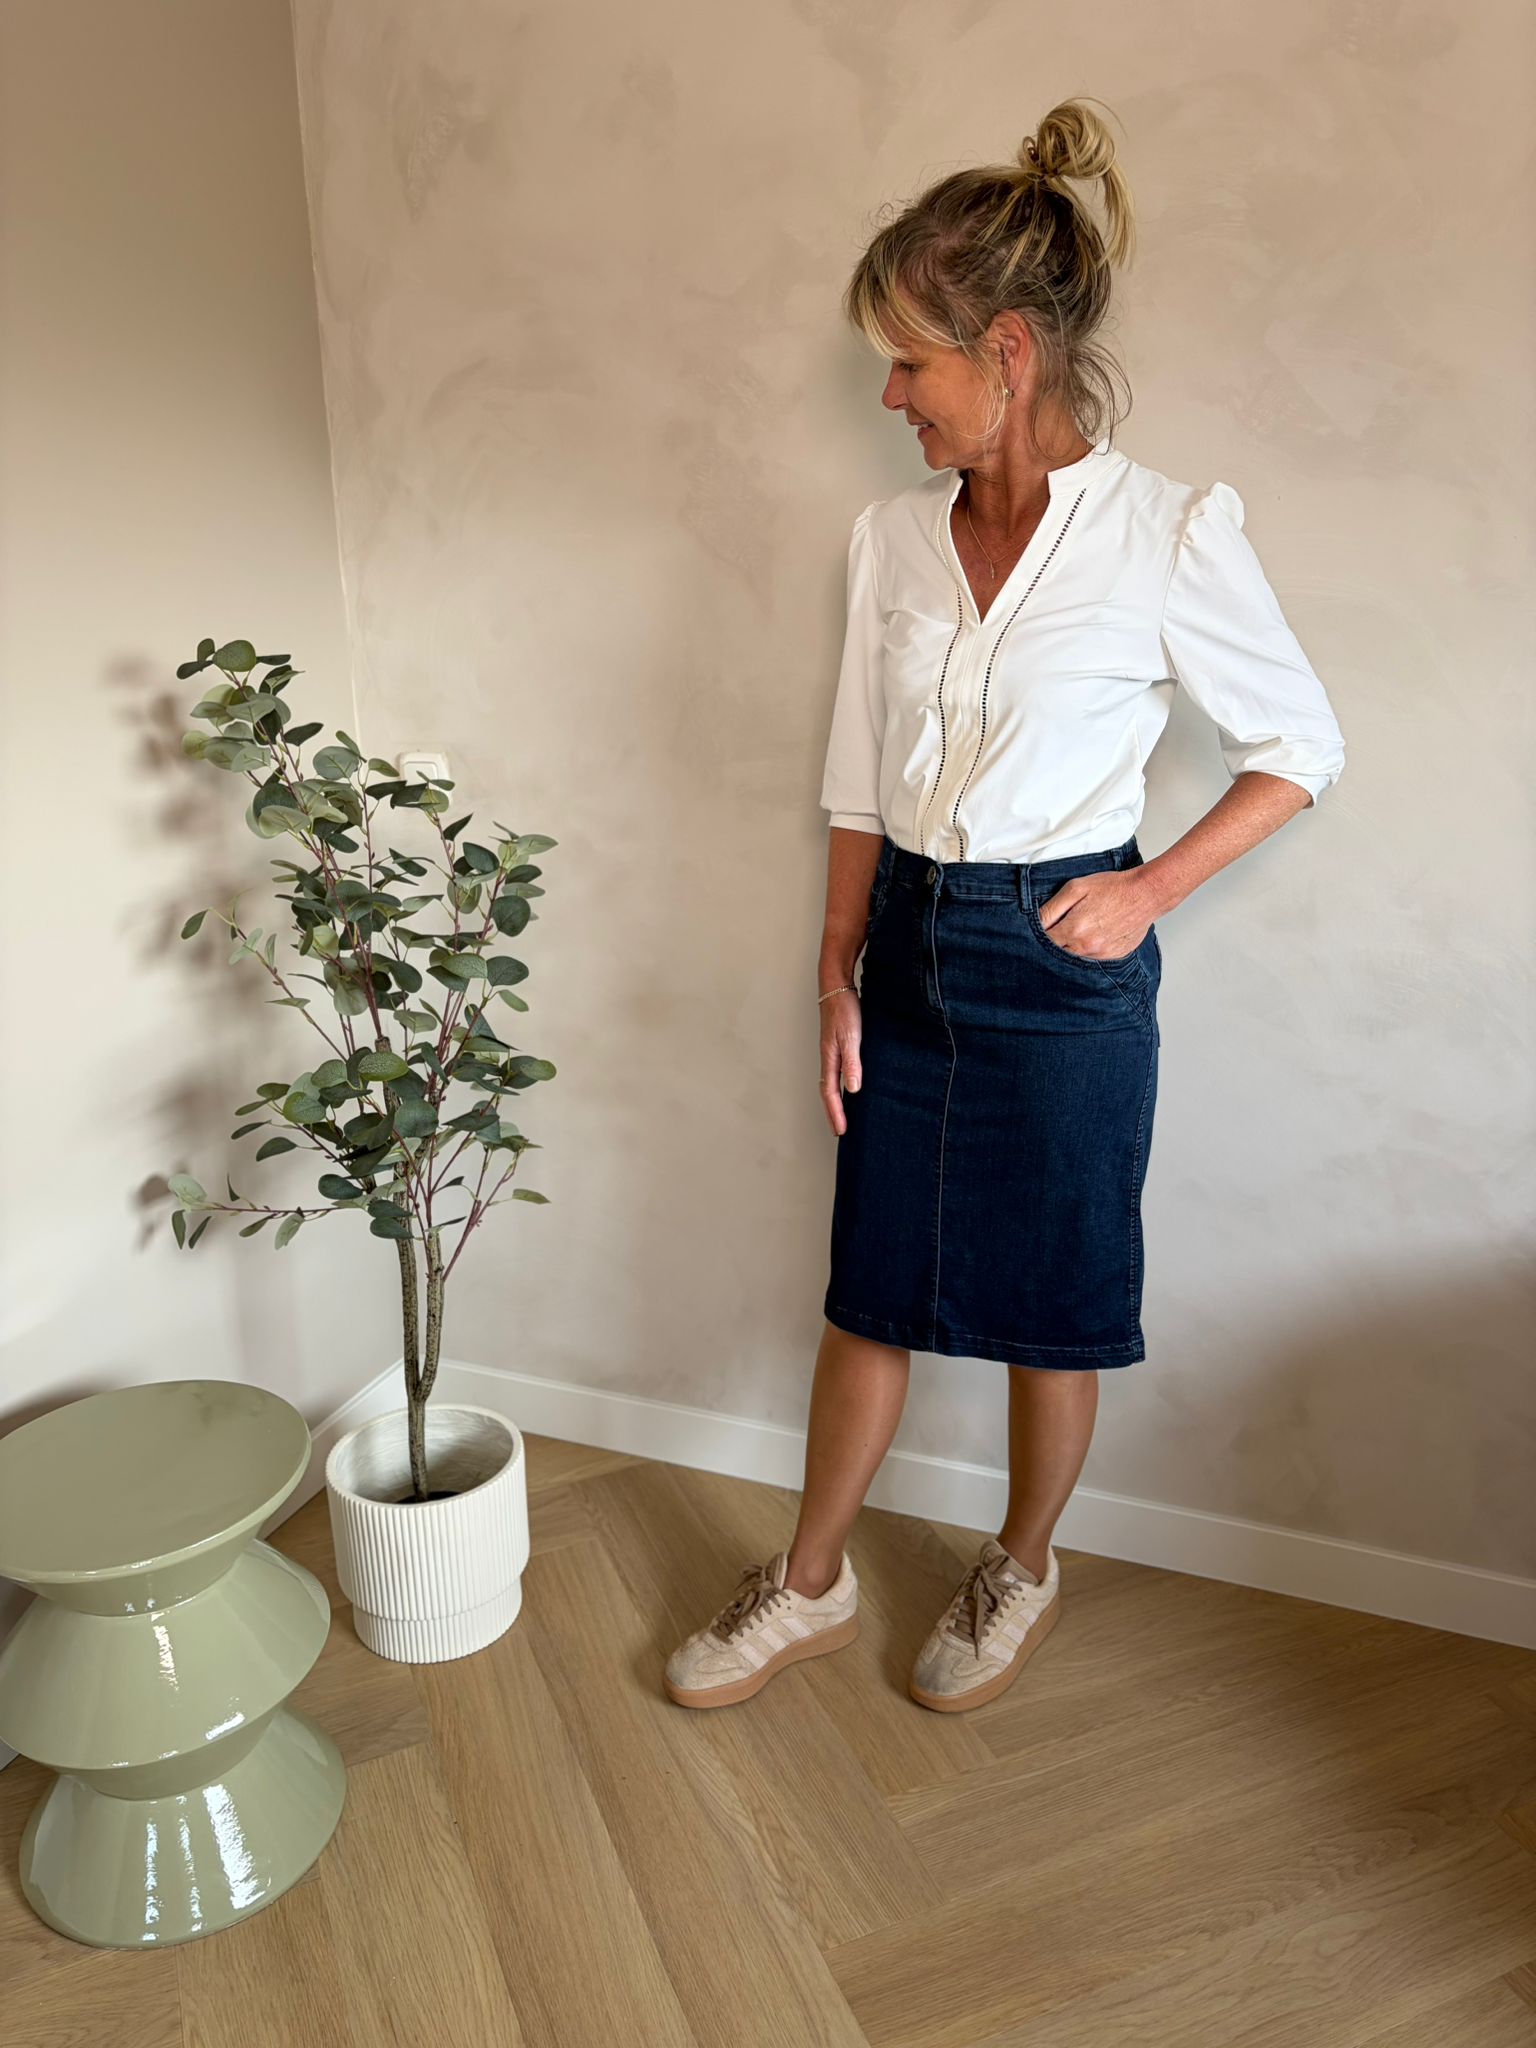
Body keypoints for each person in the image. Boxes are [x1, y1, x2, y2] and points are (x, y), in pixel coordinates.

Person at [664, 98, 1345, 1714]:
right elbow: (856, 777)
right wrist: (835, 966)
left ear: (1009, 352)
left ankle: (1022, 1566)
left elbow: (1299, 747)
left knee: (1055, 1300)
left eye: (910, 364)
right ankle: (809, 1583)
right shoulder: (890, 542)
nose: (891, 396)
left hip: (1060, 964)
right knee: (871, 1283)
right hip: (905, 940)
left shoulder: (1166, 534)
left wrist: (1148, 891)